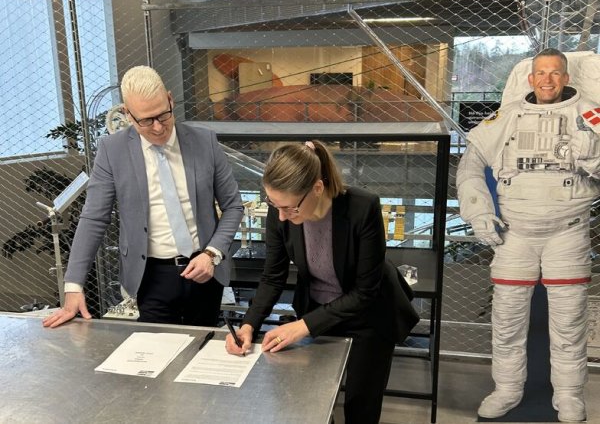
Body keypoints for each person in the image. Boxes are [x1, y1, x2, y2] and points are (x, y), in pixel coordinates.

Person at [225, 140, 419, 424]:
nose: (281, 216)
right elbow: (273, 276)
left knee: (361, 402)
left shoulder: (362, 207)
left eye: (290, 208)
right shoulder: (281, 208)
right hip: (317, 307)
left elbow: (365, 292)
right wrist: (248, 324)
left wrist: (303, 326)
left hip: (370, 314)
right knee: (312, 394)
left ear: (317, 188)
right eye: (274, 205)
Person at [457, 48, 600, 422]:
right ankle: (506, 389)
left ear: (566, 77)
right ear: (530, 78)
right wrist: (479, 212)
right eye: (541, 73)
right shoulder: (507, 117)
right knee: (507, 321)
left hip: (567, 233)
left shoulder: (590, 115)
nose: (547, 80)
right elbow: (470, 167)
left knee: (569, 323)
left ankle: (569, 394)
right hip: (515, 235)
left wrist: (592, 158)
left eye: (555, 73)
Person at [43, 65, 244, 328]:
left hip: (205, 268)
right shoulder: (112, 151)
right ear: (128, 114)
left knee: (203, 343)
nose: (158, 127)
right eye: (146, 121)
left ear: (170, 100)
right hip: (151, 276)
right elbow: (94, 218)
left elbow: (233, 206)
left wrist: (212, 253)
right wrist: (73, 285)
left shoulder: (204, 141)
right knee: (156, 349)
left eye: (163, 115)